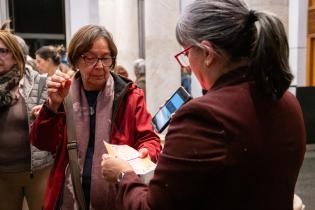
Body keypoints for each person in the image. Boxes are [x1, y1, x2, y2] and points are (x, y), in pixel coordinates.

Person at [101, 0, 306, 210]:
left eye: (186, 53)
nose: (188, 63)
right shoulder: (288, 101)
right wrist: (185, 137)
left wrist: (123, 174)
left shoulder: (203, 116)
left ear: (207, 53)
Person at [29, 24, 161, 210]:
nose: (99, 66)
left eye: (106, 58)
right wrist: (51, 107)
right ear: (76, 60)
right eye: (90, 58)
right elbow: (42, 142)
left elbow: (149, 139)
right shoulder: (62, 92)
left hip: (116, 195)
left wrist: (145, 152)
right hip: (67, 195)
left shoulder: (129, 95)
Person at [0, 22, 53, 210]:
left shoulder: (38, 83)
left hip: (38, 172)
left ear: (15, 55)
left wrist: (46, 113)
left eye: (3, 51)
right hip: (3, 176)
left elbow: (56, 122)